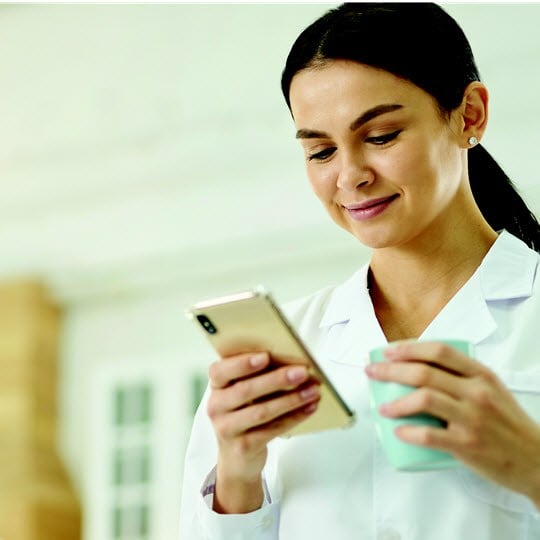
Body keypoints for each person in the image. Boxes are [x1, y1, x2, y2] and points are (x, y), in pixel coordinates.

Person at [179, 3, 540, 539]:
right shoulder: (283, 353)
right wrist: (237, 472)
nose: (350, 177)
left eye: (381, 136)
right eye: (321, 151)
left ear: (469, 115)